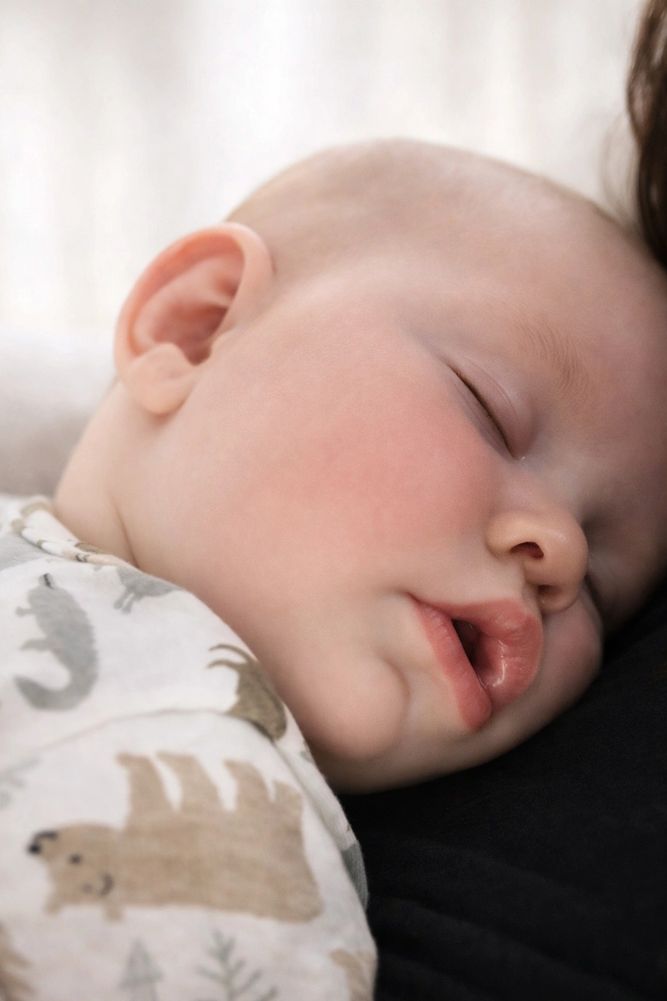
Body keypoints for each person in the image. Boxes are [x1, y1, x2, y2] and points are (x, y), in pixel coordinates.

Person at [2, 139, 667, 1000]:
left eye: (604, 592)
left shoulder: (311, 885)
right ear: (196, 329)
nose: (563, 556)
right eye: (491, 412)